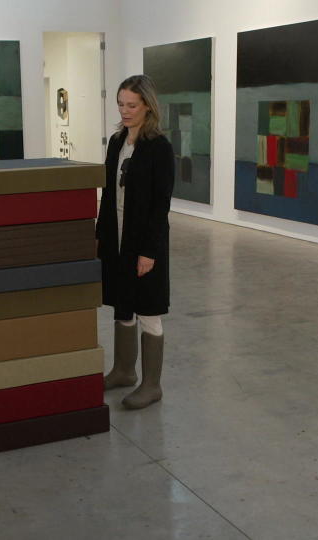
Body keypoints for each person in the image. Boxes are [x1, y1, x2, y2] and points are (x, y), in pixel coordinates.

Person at [95, 74, 174, 410]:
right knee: (122, 306)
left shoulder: (159, 148)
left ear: (147, 106)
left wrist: (149, 251)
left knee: (149, 311)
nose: (125, 111)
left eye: (131, 105)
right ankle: (124, 370)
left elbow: (161, 205)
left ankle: (151, 385)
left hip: (144, 244)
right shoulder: (116, 142)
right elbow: (109, 194)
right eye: (120, 104)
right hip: (117, 240)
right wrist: (100, 238)